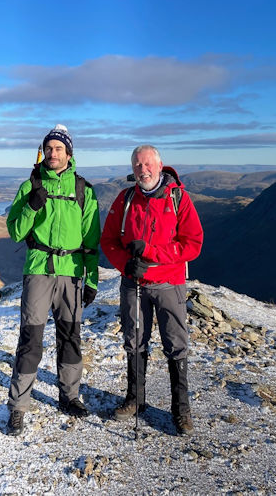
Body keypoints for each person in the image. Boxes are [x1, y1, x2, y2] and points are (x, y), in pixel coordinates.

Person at [101, 144, 203, 435]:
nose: (142, 170)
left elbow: (193, 244)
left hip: (168, 283)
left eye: (147, 164)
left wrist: (152, 252)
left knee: (176, 345)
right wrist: (125, 264)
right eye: (137, 165)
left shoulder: (178, 198)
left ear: (160, 166)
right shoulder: (126, 199)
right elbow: (109, 240)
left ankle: (181, 411)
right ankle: (135, 400)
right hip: (134, 283)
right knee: (134, 342)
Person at [5, 124, 100, 436]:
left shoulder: (84, 189)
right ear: (42, 152)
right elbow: (16, 232)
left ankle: (69, 397)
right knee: (31, 339)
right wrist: (32, 206)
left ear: (69, 153)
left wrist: (92, 280)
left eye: (58, 148)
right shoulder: (29, 186)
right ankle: (18, 406)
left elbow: (91, 239)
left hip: (72, 272)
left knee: (70, 337)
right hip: (39, 269)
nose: (52, 153)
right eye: (48, 148)